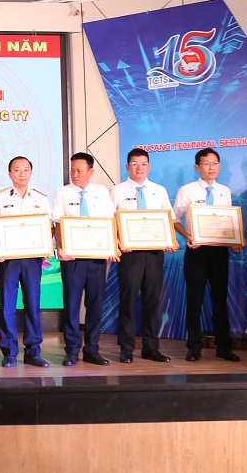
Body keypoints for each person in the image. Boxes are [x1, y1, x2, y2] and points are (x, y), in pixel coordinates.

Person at [173, 147, 240, 362]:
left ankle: (223, 347)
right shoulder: (187, 190)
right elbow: (174, 219)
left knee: (220, 298)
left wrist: (235, 240)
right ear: (197, 166)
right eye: (206, 163)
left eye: (215, 163)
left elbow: (228, 221)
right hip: (197, 251)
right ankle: (194, 346)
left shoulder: (224, 191)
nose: (211, 167)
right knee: (194, 299)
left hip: (220, 251)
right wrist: (187, 236)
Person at [0, 156, 51, 368]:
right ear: (10, 174)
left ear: (31, 173)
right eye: (17, 170)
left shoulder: (40, 198)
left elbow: (49, 226)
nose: (22, 174)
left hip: (32, 260)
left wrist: (45, 245)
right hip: (8, 260)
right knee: (7, 305)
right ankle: (9, 352)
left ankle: (33, 352)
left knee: (33, 304)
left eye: (26, 170)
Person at [110, 148, 175, 364]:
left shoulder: (159, 190)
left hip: (155, 253)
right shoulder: (117, 191)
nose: (139, 167)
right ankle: (126, 347)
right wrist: (118, 242)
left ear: (149, 167)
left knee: (152, 301)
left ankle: (151, 347)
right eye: (135, 163)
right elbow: (109, 221)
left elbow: (168, 219)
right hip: (130, 255)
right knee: (128, 300)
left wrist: (169, 240)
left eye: (143, 163)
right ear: (127, 167)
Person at [52, 152, 117, 367]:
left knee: (95, 305)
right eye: (72, 170)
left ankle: (92, 349)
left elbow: (109, 223)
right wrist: (60, 248)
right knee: (71, 305)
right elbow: (58, 223)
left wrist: (111, 247)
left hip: (97, 258)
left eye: (79, 170)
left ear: (91, 171)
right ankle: (71, 350)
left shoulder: (101, 192)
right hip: (72, 259)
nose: (75, 174)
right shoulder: (62, 192)